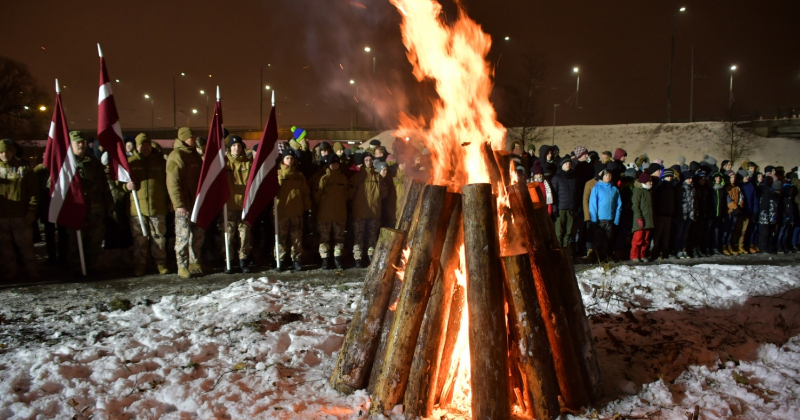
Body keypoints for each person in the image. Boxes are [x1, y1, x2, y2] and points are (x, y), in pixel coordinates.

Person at [66, 131, 114, 276]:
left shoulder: (94, 162)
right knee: (75, 242)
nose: (80, 144)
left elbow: (104, 186)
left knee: (95, 240)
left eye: (82, 142)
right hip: (76, 211)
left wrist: (109, 205)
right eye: (77, 142)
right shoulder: (65, 163)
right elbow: (54, 187)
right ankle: (76, 269)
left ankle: (91, 267)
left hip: (95, 210)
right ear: (70, 144)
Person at [124, 133, 170, 276]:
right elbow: (118, 183)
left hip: (157, 206)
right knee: (140, 239)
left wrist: (169, 201)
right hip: (137, 209)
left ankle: (161, 263)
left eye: (147, 145)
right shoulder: (130, 163)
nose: (145, 148)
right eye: (142, 145)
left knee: (159, 237)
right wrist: (126, 186)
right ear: (136, 147)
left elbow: (168, 183)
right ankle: (140, 264)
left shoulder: (160, 162)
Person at [166, 127, 205, 279]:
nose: (194, 139)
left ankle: (195, 262)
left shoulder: (194, 154)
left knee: (197, 234)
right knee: (183, 236)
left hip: (196, 203)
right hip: (184, 204)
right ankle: (182, 266)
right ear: (184, 138)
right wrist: (178, 204)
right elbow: (172, 182)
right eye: (191, 138)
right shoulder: (176, 156)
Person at [0, 138, 39, 280]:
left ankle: (32, 271)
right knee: (5, 249)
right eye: (1, 152)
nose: (4, 154)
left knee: (26, 246)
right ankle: (11, 272)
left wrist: (32, 209)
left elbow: (33, 191)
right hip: (2, 217)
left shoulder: (23, 168)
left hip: (20, 215)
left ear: (12, 151)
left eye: (6, 151)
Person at [349, 153, 387, 267]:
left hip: (374, 212)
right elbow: (350, 193)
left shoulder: (378, 177)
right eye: (366, 160)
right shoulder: (357, 177)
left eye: (371, 160)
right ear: (363, 161)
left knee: (372, 237)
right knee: (358, 237)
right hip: (359, 212)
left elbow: (384, 192)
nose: (369, 162)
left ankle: (371, 257)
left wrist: (376, 201)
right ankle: (358, 258)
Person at [276, 148, 312, 271]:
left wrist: (307, 206)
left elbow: (305, 192)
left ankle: (297, 259)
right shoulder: (278, 174)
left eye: (291, 158)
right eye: (287, 158)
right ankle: (280, 259)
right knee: (281, 237)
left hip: (297, 211)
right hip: (282, 211)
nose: (290, 160)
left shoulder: (299, 175)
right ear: (283, 159)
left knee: (296, 237)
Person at [224, 136, 253, 273]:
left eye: (239, 146)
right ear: (230, 147)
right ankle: (228, 260)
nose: (236, 148)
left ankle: (243, 261)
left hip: (243, 207)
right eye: (234, 145)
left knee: (244, 235)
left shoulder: (248, 164)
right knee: (229, 235)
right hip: (228, 206)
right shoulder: (224, 163)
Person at [316, 154, 348, 269]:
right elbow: (317, 196)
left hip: (339, 213)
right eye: (332, 163)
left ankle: (337, 259)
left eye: (337, 163)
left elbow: (347, 194)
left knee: (339, 238)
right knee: (324, 238)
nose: (335, 165)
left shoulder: (343, 178)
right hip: (325, 214)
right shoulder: (324, 178)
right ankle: (325, 260)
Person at [588, 167, 622, 262]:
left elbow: (619, 205)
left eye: (610, 175)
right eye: (606, 175)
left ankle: (605, 257)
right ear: (602, 176)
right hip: (599, 219)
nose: (608, 177)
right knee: (598, 240)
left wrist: (616, 219)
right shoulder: (597, 188)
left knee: (608, 239)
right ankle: (597, 258)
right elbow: (593, 204)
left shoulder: (614, 189)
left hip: (610, 219)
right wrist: (594, 219)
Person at [550, 157, 579, 248]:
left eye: (569, 163)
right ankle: (559, 253)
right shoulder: (556, 178)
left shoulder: (574, 177)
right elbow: (553, 195)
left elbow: (576, 194)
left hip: (571, 209)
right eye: (566, 163)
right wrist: (554, 209)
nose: (568, 165)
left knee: (569, 232)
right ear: (561, 165)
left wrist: (576, 207)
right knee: (559, 233)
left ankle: (566, 253)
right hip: (560, 209)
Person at [650, 169, 676, 260]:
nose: (669, 178)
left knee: (666, 235)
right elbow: (657, 201)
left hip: (669, 214)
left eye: (671, 176)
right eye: (668, 176)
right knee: (657, 234)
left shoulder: (672, 187)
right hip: (660, 214)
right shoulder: (660, 187)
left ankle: (665, 252)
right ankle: (654, 252)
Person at [581, 163, 603, 260]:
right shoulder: (590, 183)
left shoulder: (605, 182)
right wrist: (587, 215)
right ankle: (590, 251)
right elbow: (585, 200)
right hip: (591, 213)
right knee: (590, 233)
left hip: (602, 214)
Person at [630, 173, 654, 262]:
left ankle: (643, 255)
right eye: (649, 181)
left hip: (648, 219)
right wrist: (639, 218)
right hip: (639, 219)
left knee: (646, 240)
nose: (651, 183)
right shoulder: (637, 191)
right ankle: (634, 256)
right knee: (638, 239)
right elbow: (635, 206)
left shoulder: (649, 191)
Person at [673, 170, 696, 258]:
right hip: (681, 214)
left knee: (685, 233)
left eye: (691, 178)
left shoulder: (692, 188)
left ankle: (683, 249)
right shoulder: (679, 188)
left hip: (690, 214)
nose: (691, 180)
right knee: (679, 233)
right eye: (689, 178)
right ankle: (677, 249)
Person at [722, 170, 743, 255]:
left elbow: (742, 198)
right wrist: (734, 207)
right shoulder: (726, 188)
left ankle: (729, 245)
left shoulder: (737, 188)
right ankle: (724, 245)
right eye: (731, 177)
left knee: (732, 230)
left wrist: (740, 206)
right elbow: (727, 200)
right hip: (729, 211)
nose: (733, 179)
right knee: (726, 230)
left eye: (734, 177)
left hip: (736, 211)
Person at [757, 176, 780, 254]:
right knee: (764, 233)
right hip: (765, 215)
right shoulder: (767, 192)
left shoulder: (772, 193)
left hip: (771, 215)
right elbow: (765, 206)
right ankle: (762, 248)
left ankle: (768, 247)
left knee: (770, 233)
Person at [708, 172, 728, 255]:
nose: (718, 179)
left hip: (719, 213)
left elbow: (723, 202)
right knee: (710, 231)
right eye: (716, 178)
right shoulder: (711, 189)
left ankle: (716, 248)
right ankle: (709, 248)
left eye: (719, 178)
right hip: (712, 213)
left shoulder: (722, 189)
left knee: (717, 231)